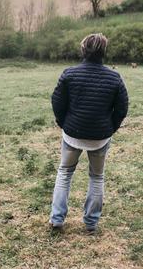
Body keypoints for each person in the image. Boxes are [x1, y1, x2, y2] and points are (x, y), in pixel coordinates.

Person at [49, 33, 129, 233]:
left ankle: (57, 220)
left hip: (72, 134)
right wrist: (110, 128)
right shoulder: (114, 77)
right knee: (97, 176)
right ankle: (91, 224)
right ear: (104, 51)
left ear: (83, 50)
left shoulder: (69, 74)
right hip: (100, 138)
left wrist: (64, 123)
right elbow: (122, 108)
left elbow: (57, 102)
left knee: (65, 173)